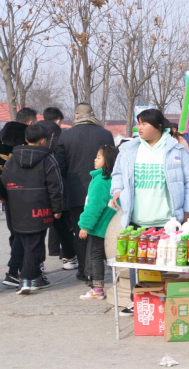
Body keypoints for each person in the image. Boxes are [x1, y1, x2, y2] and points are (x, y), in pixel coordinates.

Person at [111, 109, 189, 316]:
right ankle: (138, 300)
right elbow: (117, 174)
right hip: (136, 218)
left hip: (166, 219)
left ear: (159, 127)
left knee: (162, 262)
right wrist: (116, 190)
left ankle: (162, 300)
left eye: (144, 124)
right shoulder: (129, 150)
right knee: (136, 260)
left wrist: (188, 211)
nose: (139, 128)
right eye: (138, 123)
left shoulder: (175, 150)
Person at [0, 124, 62, 294]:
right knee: (35, 244)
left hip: (16, 207)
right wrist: (57, 208)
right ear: (44, 140)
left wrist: (11, 197)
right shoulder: (48, 159)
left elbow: (4, 179)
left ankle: (36, 278)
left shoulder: (13, 159)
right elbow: (55, 186)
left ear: (26, 139)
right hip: (40, 208)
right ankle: (27, 279)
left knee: (27, 242)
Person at [56, 102, 114, 282]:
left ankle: (84, 270)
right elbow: (113, 160)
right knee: (100, 231)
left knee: (80, 231)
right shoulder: (105, 134)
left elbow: (61, 166)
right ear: (92, 114)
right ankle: (97, 268)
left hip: (76, 191)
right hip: (103, 189)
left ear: (76, 115)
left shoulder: (66, 136)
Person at [1, 108, 37, 287]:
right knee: (24, 233)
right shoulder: (27, 141)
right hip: (23, 193)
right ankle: (17, 270)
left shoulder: (2, 137)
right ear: (31, 123)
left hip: (6, 194)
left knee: (14, 232)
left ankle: (19, 268)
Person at [78, 145, 118, 299]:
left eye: (99, 157)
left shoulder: (100, 180)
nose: (95, 160)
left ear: (107, 160)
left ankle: (97, 289)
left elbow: (94, 206)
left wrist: (85, 226)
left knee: (95, 256)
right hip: (113, 226)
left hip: (100, 227)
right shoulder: (113, 179)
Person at [38, 107, 77, 268]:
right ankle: (68, 257)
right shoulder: (62, 137)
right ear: (59, 120)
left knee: (37, 229)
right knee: (62, 224)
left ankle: (38, 262)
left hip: (35, 190)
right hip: (59, 186)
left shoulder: (32, 133)